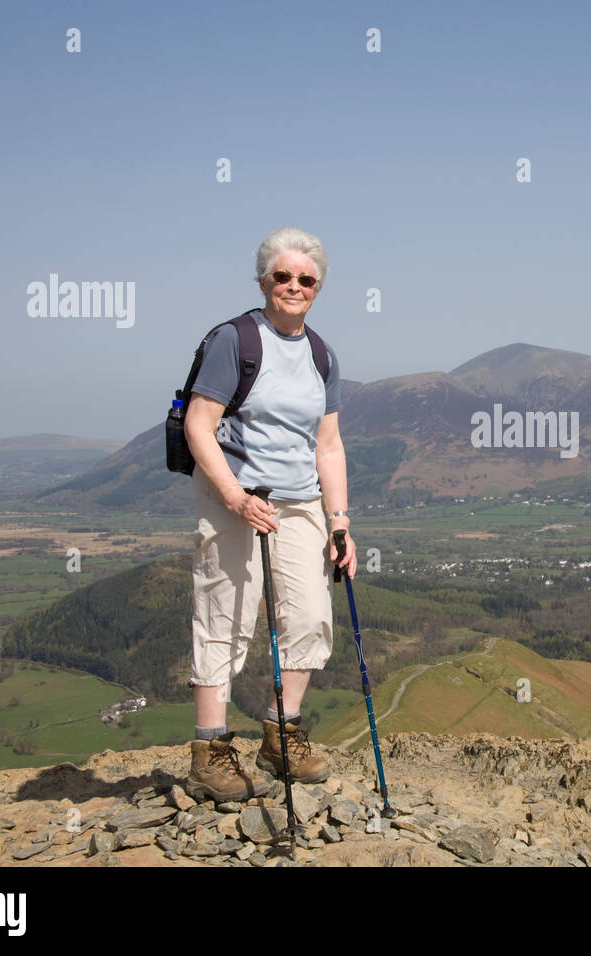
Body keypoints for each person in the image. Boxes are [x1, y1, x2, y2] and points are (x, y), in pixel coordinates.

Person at [182, 226, 357, 802]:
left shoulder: (321, 353)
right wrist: (233, 497)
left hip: (302, 502)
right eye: (282, 276)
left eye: (307, 279)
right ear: (263, 280)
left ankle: (281, 736)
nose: (294, 286)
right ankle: (210, 752)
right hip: (237, 497)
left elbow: (327, 445)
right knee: (227, 617)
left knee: (309, 618)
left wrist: (340, 522)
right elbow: (198, 425)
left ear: (319, 287)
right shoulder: (235, 341)